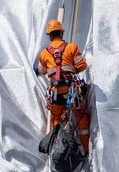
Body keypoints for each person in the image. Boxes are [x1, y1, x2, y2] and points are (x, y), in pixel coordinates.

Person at [36, 19, 89, 153]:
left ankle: (59, 150)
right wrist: (71, 71)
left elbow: (43, 70)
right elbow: (82, 65)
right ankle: (86, 150)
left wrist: (37, 70)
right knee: (81, 118)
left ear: (49, 36)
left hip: (57, 93)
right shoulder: (72, 47)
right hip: (72, 92)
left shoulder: (43, 54)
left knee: (57, 119)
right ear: (61, 33)